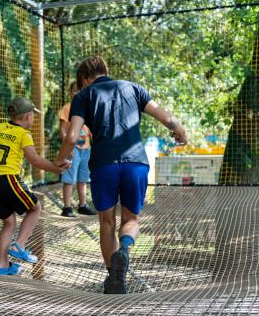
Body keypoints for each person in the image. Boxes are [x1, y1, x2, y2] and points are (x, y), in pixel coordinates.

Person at [54, 56, 188, 294]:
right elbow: (166, 118)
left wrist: (59, 160)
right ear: (106, 70)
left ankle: (114, 279)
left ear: (84, 79)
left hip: (103, 165)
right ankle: (124, 250)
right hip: (135, 163)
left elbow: (72, 137)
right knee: (131, 221)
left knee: (106, 223)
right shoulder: (133, 88)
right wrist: (181, 132)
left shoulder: (82, 96)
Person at [0, 96, 71, 276]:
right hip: (8, 178)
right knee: (35, 208)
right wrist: (56, 169)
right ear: (28, 117)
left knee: (9, 223)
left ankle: (2, 264)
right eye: (33, 114)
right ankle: (19, 246)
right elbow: (35, 160)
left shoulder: (1, 127)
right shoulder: (24, 135)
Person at [59, 81, 96, 217]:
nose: (78, 93)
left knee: (83, 178)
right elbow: (63, 130)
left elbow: (90, 130)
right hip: (72, 149)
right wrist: (67, 147)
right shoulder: (67, 108)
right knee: (70, 177)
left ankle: (82, 205)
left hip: (86, 149)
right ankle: (67, 207)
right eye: (75, 90)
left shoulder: (87, 108)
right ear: (70, 93)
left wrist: (95, 142)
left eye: (81, 90)